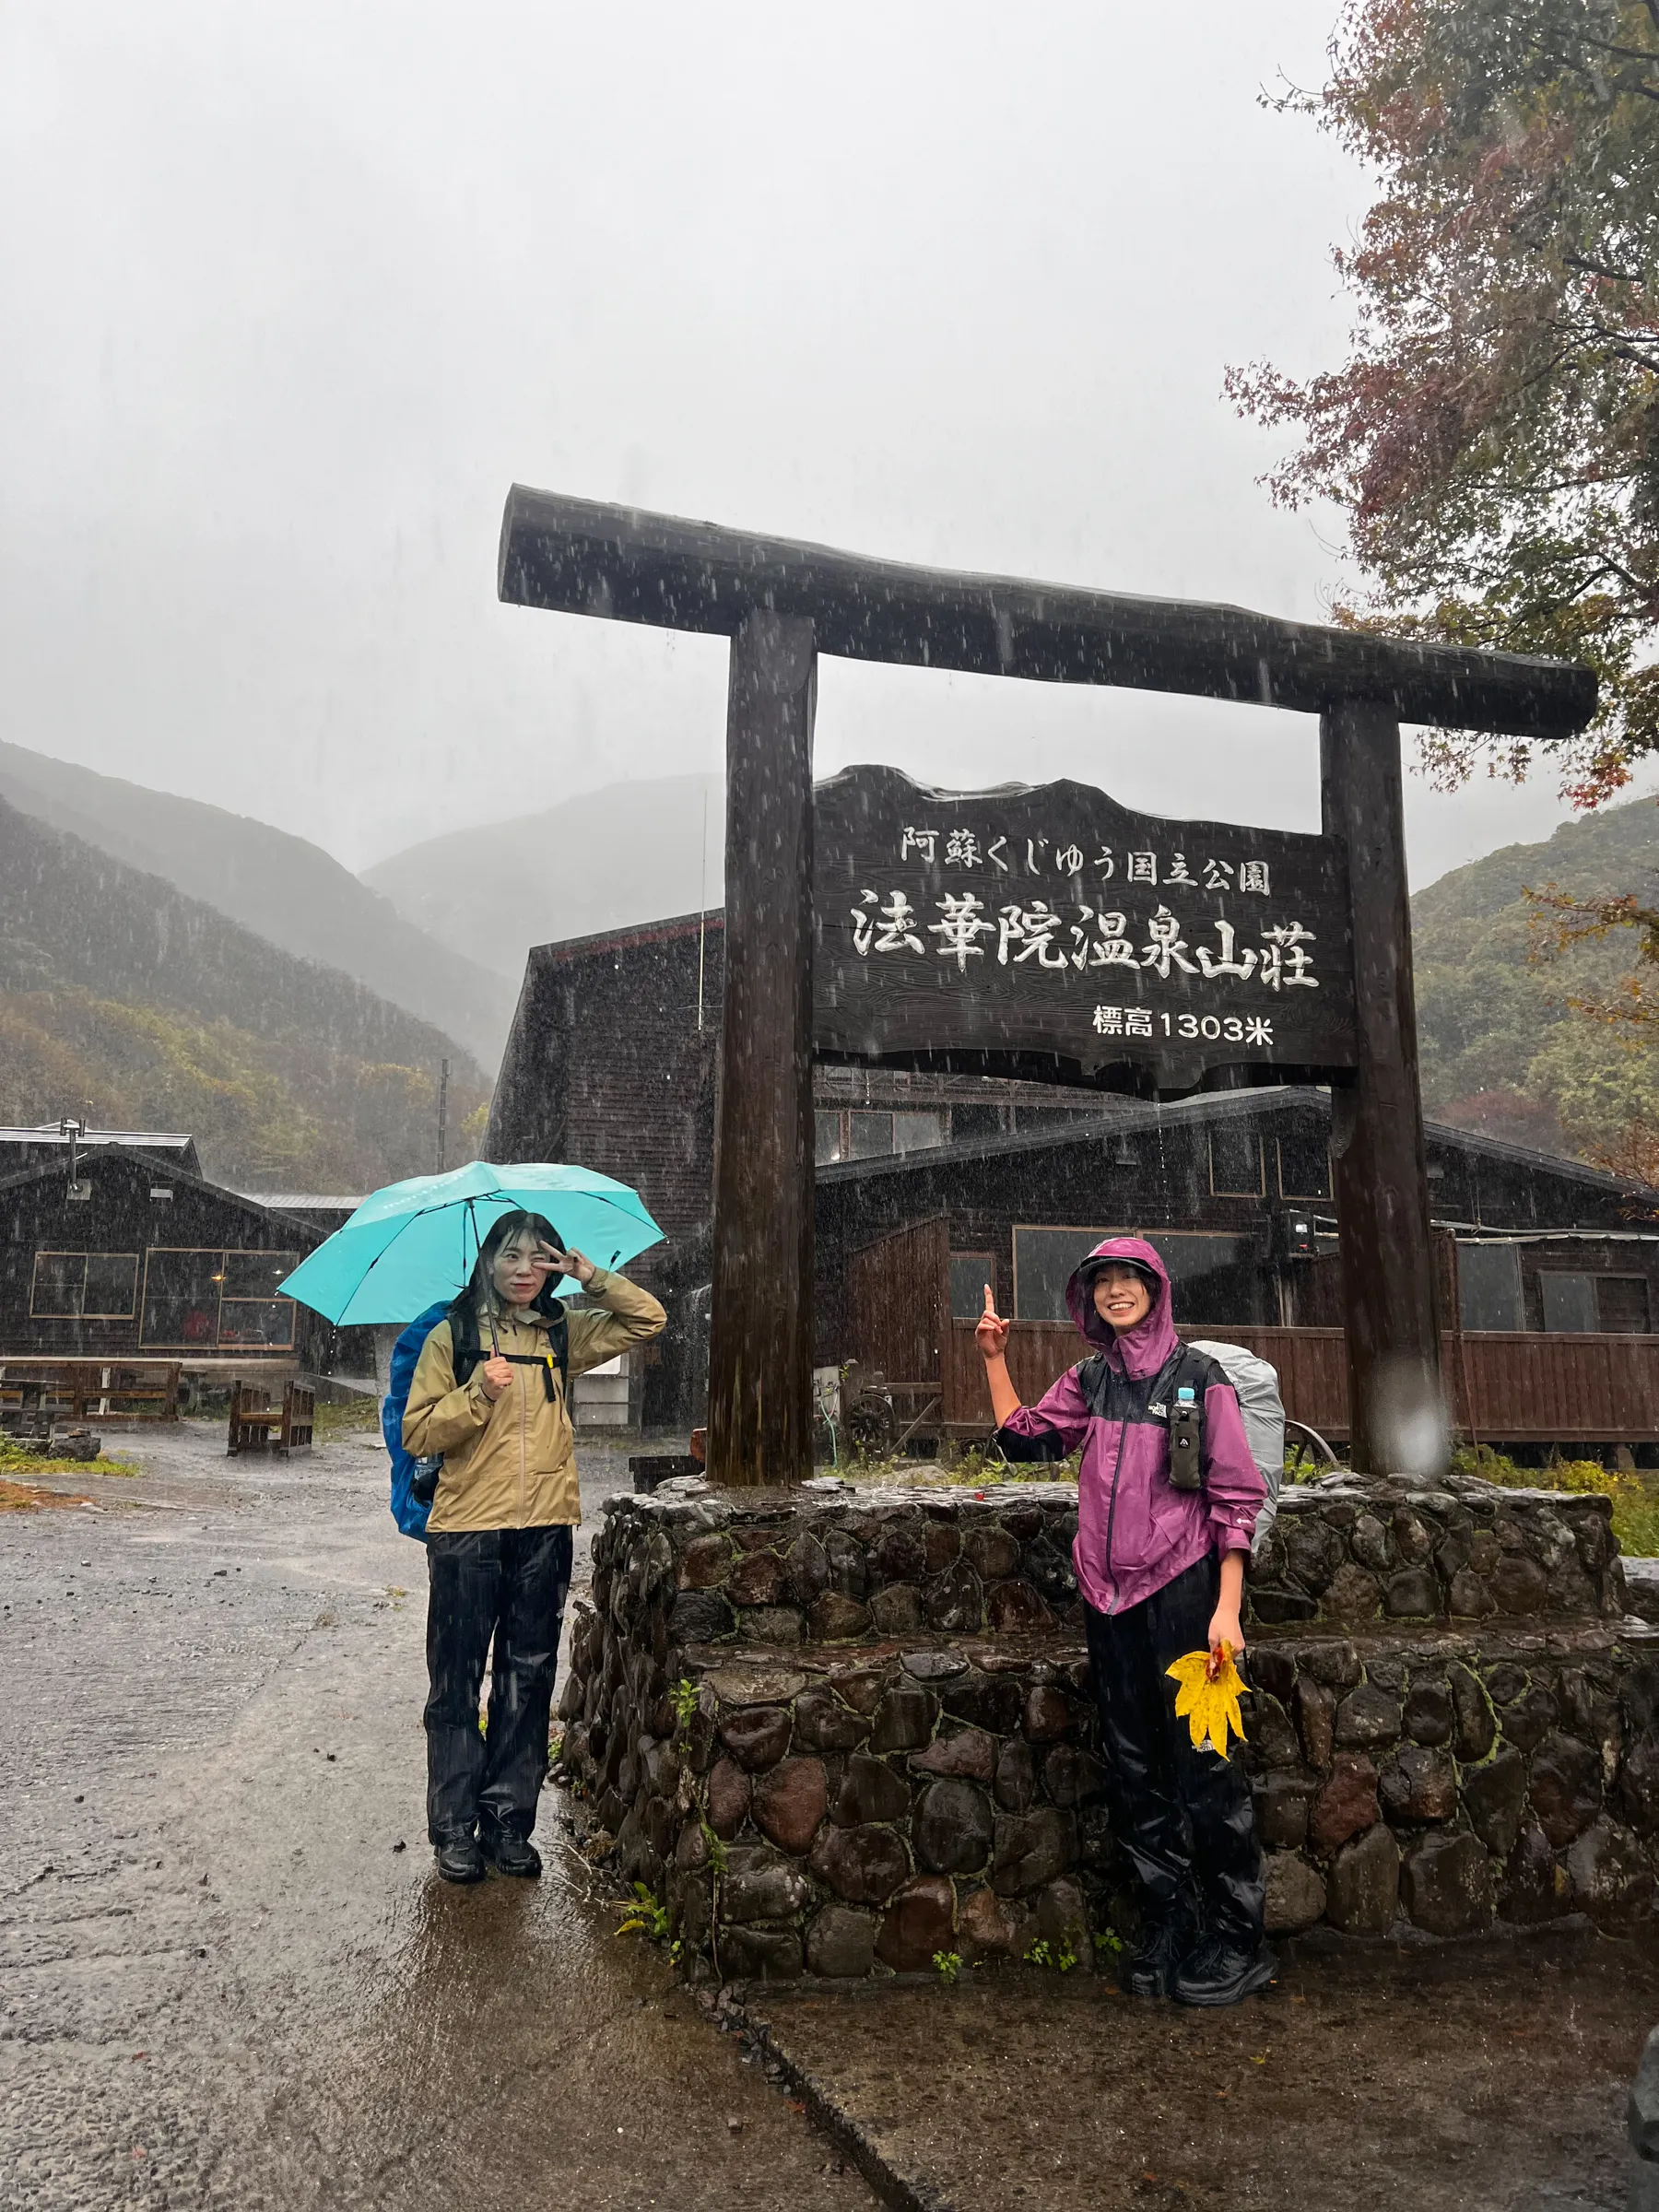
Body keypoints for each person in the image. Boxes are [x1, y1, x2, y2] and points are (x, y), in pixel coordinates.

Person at [976, 1236, 1274, 2006]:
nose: (1115, 1291)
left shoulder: (1200, 1381)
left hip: (1184, 1593)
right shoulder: (1089, 1380)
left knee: (1206, 1764)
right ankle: (1169, 1923)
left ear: (1155, 1290)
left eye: (1128, 1280)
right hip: (1106, 1599)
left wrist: (1227, 1611)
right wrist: (992, 1359)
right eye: (1102, 1281)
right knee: (1136, 1766)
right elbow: (1024, 1440)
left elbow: (1235, 1498)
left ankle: (1238, 1938)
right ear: (1088, 1299)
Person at [404, 1210, 665, 1885]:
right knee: (457, 1681)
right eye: (511, 1256)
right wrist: (476, 1393)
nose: (525, 1270)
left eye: (538, 1258)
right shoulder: (451, 1335)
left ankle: (507, 1823)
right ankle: (455, 1827)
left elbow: (649, 1320)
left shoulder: (560, 1331)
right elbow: (418, 1434)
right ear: (487, 1261)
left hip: (544, 1529)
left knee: (528, 1679)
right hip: (467, 1532)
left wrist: (588, 1275)